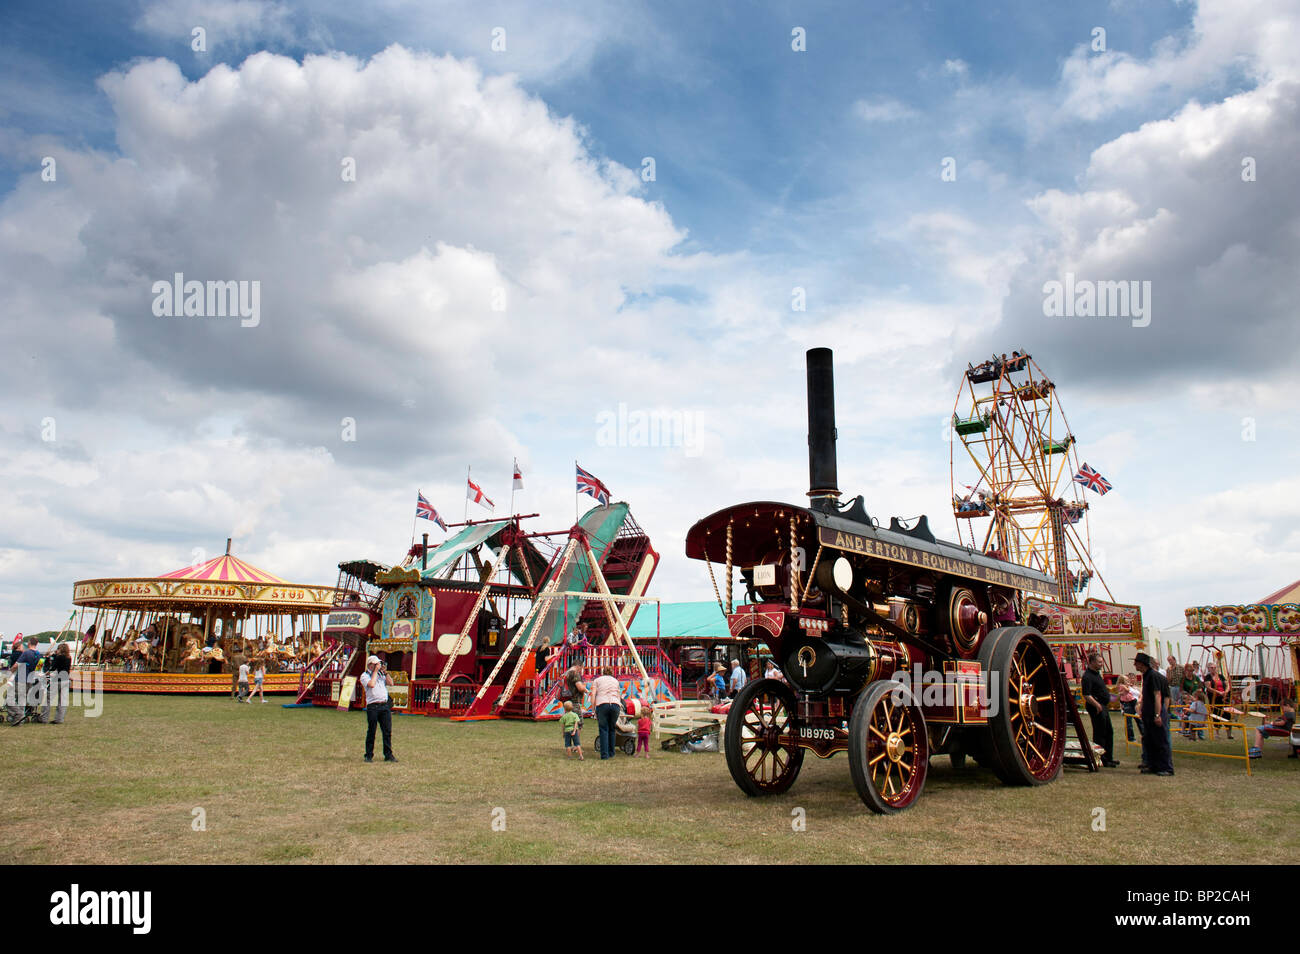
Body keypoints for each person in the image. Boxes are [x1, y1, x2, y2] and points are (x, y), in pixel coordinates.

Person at [1135, 652, 1173, 776]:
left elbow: (1158, 696)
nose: (1135, 664)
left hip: (1154, 712)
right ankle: (1153, 765)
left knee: (1161, 741)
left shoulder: (1153, 676)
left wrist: (1158, 715)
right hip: (1148, 712)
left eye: (1136, 663)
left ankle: (1166, 767)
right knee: (1150, 741)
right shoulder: (1146, 676)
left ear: (1142, 664)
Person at [1081, 653, 1118, 767]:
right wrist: (1097, 705)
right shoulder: (1087, 676)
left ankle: (1108, 757)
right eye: (1099, 662)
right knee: (1100, 733)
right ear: (1091, 662)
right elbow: (1086, 694)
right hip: (1097, 707)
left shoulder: (1097, 674)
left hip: (1103, 706)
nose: (1101, 664)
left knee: (1108, 731)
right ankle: (1101, 759)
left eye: (1101, 662)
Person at [358, 655, 397, 763]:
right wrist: (375, 671)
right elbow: (371, 684)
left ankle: (388, 755)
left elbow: (391, 683)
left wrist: (385, 672)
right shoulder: (365, 675)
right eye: (376, 664)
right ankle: (368, 755)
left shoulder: (381, 674)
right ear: (370, 665)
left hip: (384, 705)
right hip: (373, 706)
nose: (378, 666)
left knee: (387, 731)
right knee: (372, 731)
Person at [590, 665, 623, 760]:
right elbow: (618, 695)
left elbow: (593, 695)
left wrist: (593, 709)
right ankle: (611, 752)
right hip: (615, 704)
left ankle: (604, 755)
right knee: (612, 728)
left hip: (602, 703)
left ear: (603, 672)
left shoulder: (597, 680)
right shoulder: (616, 681)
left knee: (603, 729)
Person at [41, 643, 73, 724]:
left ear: (60, 649)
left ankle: (44, 718)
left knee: (48, 700)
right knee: (62, 701)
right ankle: (59, 719)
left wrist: (46, 673)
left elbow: (53, 667)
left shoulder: (59, 657)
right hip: (66, 680)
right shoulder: (69, 658)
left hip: (57, 680)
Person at [1116, 674, 1143, 743]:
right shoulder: (1124, 687)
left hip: (1134, 703)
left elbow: (1140, 695)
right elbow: (1121, 697)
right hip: (1127, 703)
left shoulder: (1136, 687)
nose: (1131, 680)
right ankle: (1130, 738)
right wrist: (1122, 708)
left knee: (1139, 720)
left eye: (1133, 678)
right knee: (1128, 722)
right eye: (1128, 680)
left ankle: (1144, 734)